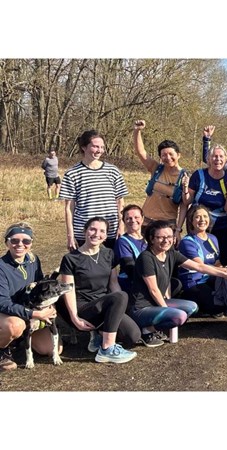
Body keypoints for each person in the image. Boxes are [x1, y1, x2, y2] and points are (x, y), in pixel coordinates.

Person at [128, 220, 227, 347]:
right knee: (179, 316)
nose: (166, 240)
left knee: (192, 307)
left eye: (169, 237)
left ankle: (155, 327)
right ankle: (147, 331)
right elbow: (153, 290)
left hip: (155, 304)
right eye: (160, 237)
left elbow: (199, 266)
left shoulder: (171, 253)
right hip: (142, 308)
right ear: (152, 239)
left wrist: (226, 273)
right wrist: (166, 312)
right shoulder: (146, 258)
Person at [58, 217, 139, 363]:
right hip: (83, 307)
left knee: (133, 336)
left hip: (103, 304)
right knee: (120, 296)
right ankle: (107, 349)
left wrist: (119, 310)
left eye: (102, 231)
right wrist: (75, 318)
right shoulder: (71, 258)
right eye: (92, 229)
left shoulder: (109, 254)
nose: (97, 234)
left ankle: (98, 334)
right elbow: (68, 290)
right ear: (85, 231)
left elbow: (113, 284)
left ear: (106, 236)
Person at [0, 223, 59, 371]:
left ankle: (18, 339)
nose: (20, 244)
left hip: (28, 310)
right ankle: (2, 350)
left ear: (31, 243)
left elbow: (40, 287)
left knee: (50, 349)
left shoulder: (33, 260)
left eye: (26, 241)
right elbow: (3, 303)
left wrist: (48, 307)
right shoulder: (1, 266)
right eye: (14, 240)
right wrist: (34, 314)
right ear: (6, 242)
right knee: (15, 325)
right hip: (6, 312)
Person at [60, 130, 128, 250]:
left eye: (102, 147)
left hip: (110, 231)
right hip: (84, 233)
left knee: (111, 261)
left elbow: (120, 202)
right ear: (84, 147)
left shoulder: (113, 171)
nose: (99, 150)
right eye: (95, 146)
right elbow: (69, 208)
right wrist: (70, 235)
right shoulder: (72, 173)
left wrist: (121, 226)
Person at [187, 142, 227, 267]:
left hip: (221, 225)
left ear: (226, 160)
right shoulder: (199, 175)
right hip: (199, 223)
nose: (218, 159)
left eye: (221, 157)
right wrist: (184, 189)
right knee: (201, 259)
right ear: (209, 159)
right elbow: (187, 201)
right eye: (214, 156)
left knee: (224, 260)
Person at [132, 120, 189, 230]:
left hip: (167, 225)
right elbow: (141, 152)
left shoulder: (185, 177)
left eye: (171, 154)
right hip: (146, 222)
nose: (168, 158)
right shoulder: (156, 168)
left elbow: (184, 206)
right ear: (160, 157)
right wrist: (137, 131)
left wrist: (178, 229)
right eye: (164, 155)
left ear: (178, 155)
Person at [178, 205, 227, 317]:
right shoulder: (187, 242)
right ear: (191, 221)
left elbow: (217, 263)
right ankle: (186, 299)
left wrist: (226, 270)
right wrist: (226, 272)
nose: (202, 220)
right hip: (196, 282)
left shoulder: (212, 238)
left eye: (205, 216)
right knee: (218, 307)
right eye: (197, 217)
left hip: (211, 278)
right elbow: (200, 267)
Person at [114, 204, 147, 294]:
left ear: (142, 219)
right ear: (124, 221)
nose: (133, 220)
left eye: (136, 217)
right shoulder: (122, 242)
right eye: (129, 218)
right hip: (132, 283)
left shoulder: (148, 239)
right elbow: (129, 267)